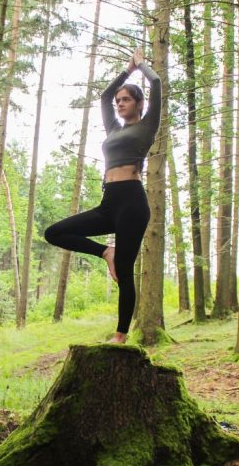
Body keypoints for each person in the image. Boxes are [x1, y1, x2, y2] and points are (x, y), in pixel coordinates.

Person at [44, 49, 162, 344]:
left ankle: (121, 335)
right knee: (55, 232)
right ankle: (104, 251)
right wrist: (126, 70)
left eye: (126, 100)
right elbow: (103, 96)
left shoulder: (147, 125)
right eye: (119, 101)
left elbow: (157, 83)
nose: (120, 103)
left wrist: (141, 66)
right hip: (109, 202)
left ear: (138, 103)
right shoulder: (112, 128)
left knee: (125, 270)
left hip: (133, 203)